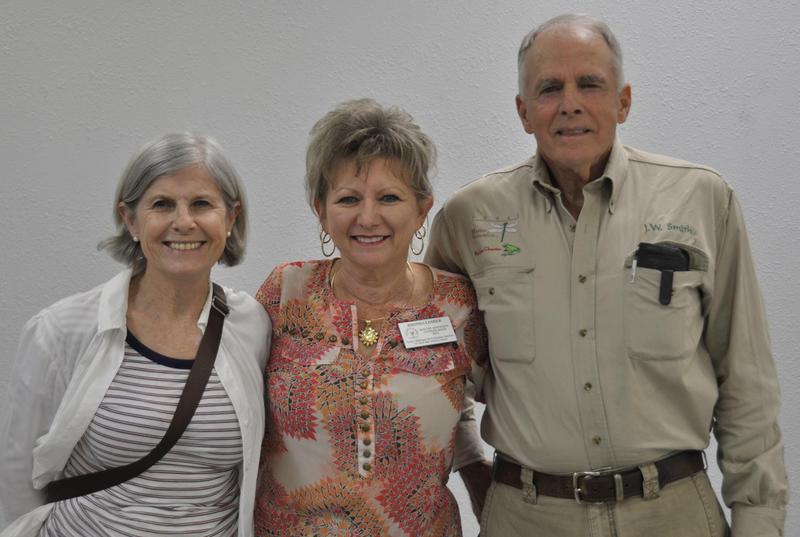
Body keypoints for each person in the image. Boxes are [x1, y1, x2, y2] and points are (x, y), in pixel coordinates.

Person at [425, 13, 788, 537]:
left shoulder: (702, 200)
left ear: (623, 101)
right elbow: (433, 369)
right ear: (523, 112)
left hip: (675, 514)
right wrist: (471, 467)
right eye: (549, 88)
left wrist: (759, 520)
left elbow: (747, 383)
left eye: (589, 83)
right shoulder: (468, 220)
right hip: (526, 516)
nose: (570, 102)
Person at [0, 133, 271, 537]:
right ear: (130, 219)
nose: (183, 222)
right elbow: (17, 479)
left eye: (201, 203)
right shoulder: (62, 329)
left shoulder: (251, 324)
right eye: (162, 204)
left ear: (231, 218)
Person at [253, 98, 488, 537]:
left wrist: (480, 478)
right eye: (347, 198)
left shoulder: (457, 303)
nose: (367, 217)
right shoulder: (285, 293)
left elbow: (473, 403)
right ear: (320, 210)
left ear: (421, 209)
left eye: (389, 197)